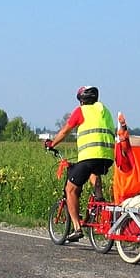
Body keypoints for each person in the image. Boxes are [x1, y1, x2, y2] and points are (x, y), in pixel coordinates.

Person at [44, 86, 115, 242]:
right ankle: (99, 198)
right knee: (92, 171)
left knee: (70, 190)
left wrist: (52, 144)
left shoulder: (81, 111)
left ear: (81, 100)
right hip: (107, 157)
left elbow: (65, 131)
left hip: (89, 156)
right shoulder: (105, 111)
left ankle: (77, 228)